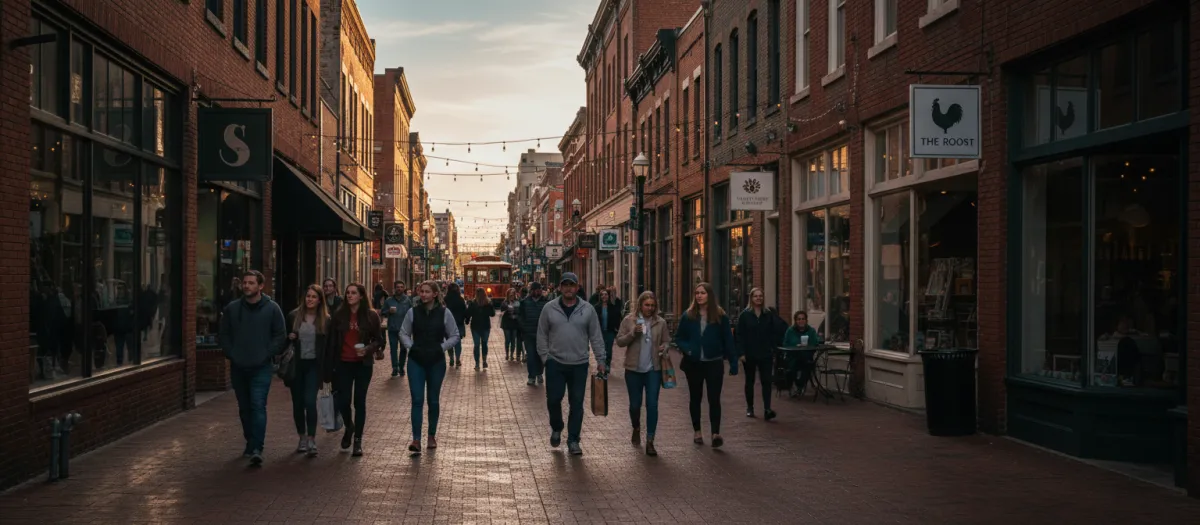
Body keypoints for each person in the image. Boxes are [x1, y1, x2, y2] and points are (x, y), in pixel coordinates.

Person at [218, 270, 286, 466]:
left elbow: (279, 335)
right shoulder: (232, 309)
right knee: (244, 408)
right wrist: (232, 353)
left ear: (260, 286)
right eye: (245, 283)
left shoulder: (272, 309)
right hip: (239, 366)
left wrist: (267, 353)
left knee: (257, 405)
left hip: (261, 367)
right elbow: (224, 334)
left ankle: (257, 447)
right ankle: (250, 441)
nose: (246, 286)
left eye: (251, 283)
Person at [537, 272, 607, 456]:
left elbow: (596, 336)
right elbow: (542, 334)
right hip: (555, 363)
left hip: (579, 364)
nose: (568, 288)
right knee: (553, 399)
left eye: (572, 285)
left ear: (577, 287)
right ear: (560, 287)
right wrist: (546, 357)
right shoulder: (549, 308)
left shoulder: (588, 309)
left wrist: (601, 359)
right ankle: (557, 427)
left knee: (576, 403)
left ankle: (574, 440)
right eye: (565, 285)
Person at [399, 280, 461, 454]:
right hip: (416, 360)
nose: (423, 294)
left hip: (436, 361)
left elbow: (455, 335)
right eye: (421, 291)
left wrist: (441, 347)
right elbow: (403, 332)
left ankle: (431, 435)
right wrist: (411, 346)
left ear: (435, 294)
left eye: (427, 291)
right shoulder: (412, 312)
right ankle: (416, 439)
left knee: (433, 400)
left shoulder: (444, 313)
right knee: (417, 400)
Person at [673, 282, 737, 448]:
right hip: (694, 364)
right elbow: (679, 337)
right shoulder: (688, 316)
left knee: (714, 398)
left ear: (709, 295)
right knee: (696, 398)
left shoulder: (720, 316)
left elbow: (728, 340)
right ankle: (697, 431)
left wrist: (733, 361)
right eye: (697, 293)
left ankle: (715, 433)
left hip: (714, 362)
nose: (699, 296)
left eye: (702, 293)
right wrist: (688, 350)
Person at [324, 283, 384, 456]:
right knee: (343, 400)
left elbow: (379, 340)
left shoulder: (371, 316)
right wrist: (329, 366)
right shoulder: (339, 316)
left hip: (363, 364)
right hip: (343, 363)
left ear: (361, 296)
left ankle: (358, 440)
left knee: (359, 401)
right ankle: (349, 426)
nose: (349, 295)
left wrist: (368, 349)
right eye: (347, 293)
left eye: (353, 293)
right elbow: (332, 342)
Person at [614, 291, 670, 456]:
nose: (650, 308)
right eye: (647, 305)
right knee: (634, 405)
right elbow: (619, 341)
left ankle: (650, 440)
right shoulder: (629, 320)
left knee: (652, 404)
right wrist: (633, 334)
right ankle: (636, 427)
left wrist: (665, 347)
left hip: (653, 369)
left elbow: (667, 340)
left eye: (653, 305)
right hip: (633, 370)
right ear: (640, 305)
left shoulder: (660, 322)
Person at [285, 284, 330, 457]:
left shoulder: (325, 320)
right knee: (298, 403)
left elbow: (328, 347)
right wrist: (289, 338)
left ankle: (311, 438)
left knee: (310, 401)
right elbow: (284, 340)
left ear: (320, 300)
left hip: (314, 366)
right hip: (297, 365)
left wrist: (328, 371)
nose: (310, 299)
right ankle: (302, 437)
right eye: (308, 296)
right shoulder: (294, 316)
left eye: (313, 297)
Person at [736, 288, 787, 421]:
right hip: (749, 353)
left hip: (765, 353)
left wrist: (774, 347)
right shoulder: (745, 315)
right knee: (750, 381)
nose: (758, 298)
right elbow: (739, 335)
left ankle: (767, 409)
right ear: (751, 298)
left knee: (766, 381)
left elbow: (777, 331)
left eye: (760, 296)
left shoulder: (768, 315)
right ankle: (750, 407)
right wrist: (741, 353)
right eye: (756, 296)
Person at [783, 310, 821, 398]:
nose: (801, 321)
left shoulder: (811, 331)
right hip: (792, 356)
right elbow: (785, 344)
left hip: (806, 356)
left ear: (806, 320)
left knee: (807, 365)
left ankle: (800, 386)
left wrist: (807, 346)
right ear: (796, 321)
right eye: (799, 319)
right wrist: (795, 346)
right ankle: (792, 386)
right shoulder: (790, 331)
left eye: (803, 319)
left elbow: (815, 344)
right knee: (790, 368)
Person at [380, 281, 414, 377]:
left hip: (405, 330)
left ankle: (401, 367)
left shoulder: (407, 300)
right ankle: (395, 368)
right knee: (393, 349)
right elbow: (383, 312)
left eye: (401, 287)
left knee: (404, 349)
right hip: (392, 328)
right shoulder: (389, 301)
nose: (399, 289)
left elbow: (412, 313)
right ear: (394, 288)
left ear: (404, 288)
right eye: (397, 287)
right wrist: (388, 311)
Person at [519, 282, 550, 385]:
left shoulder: (546, 302)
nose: (538, 291)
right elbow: (521, 317)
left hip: (542, 334)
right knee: (531, 355)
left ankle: (539, 374)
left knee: (540, 355)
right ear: (531, 291)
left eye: (539, 289)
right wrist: (523, 328)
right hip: (529, 334)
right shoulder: (524, 302)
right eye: (536, 289)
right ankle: (531, 376)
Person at [464, 288, 496, 370]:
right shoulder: (488, 303)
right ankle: (484, 361)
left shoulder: (473, 303)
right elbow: (492, 314)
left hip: (475, 326)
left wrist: (467, 321)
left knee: (476, 345)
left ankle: (477, 364)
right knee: (484, 344)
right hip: (485, 326)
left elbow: (468, 313)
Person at [591, 289, 622, 371]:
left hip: (610, 331)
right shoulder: (596, 307)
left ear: (608, 296)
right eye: (602, 295)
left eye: (606, 294)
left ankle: (607, 364)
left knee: (608, 349)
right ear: (600, 296)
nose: (604, 296)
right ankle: (601, 364)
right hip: (600, 332)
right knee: (601, 348)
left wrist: (616, 328)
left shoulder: (612, 306)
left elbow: (618, 315)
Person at [443, 283, 468, 367]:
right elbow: (464, 311)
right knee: (457, 342)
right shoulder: (460, 299)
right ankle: (457, 358)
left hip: (447, 324)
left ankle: (451, 359)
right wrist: (465, 319)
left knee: (449, 342)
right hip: (458, 323)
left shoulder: (445, 299)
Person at [501, 289, 521, 361]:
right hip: (506, 323)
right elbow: (502, 309)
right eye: (510, 294)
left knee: (513, 340)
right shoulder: (505, 302)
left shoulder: (517, 302)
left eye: (513, 293)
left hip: (514, 323)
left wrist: (515, 314)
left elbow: (519, 311)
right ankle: (507, 354)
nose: (512, 295)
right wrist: (508, 303)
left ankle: (512, 355)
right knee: (507, 339)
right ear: (508, 294)